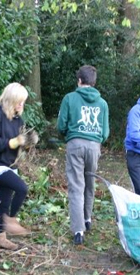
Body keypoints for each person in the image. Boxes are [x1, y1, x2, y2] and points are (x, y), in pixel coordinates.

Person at [57, 65, 110, 245]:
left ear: (79, 81)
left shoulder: (70, 98)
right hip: (94, 146)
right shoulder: (102, 103)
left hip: (75, 144)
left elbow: (61, 125)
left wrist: (69, 135)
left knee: (76, 186)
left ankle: (78, 230)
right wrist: (95, 140)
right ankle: (87, 219)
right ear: (94, 82)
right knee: (89, 183)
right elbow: (105, 132)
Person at [0, 83, 37, 250]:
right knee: (22, 188)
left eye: (23, 102)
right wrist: (12, 142)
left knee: (3, 202)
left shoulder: (17, 119)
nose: (21, 105)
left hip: (10, 164)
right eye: (18, 101)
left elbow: (19, 144)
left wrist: (28, 143)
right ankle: (11, 221)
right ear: (10, 99)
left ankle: (0, 237)